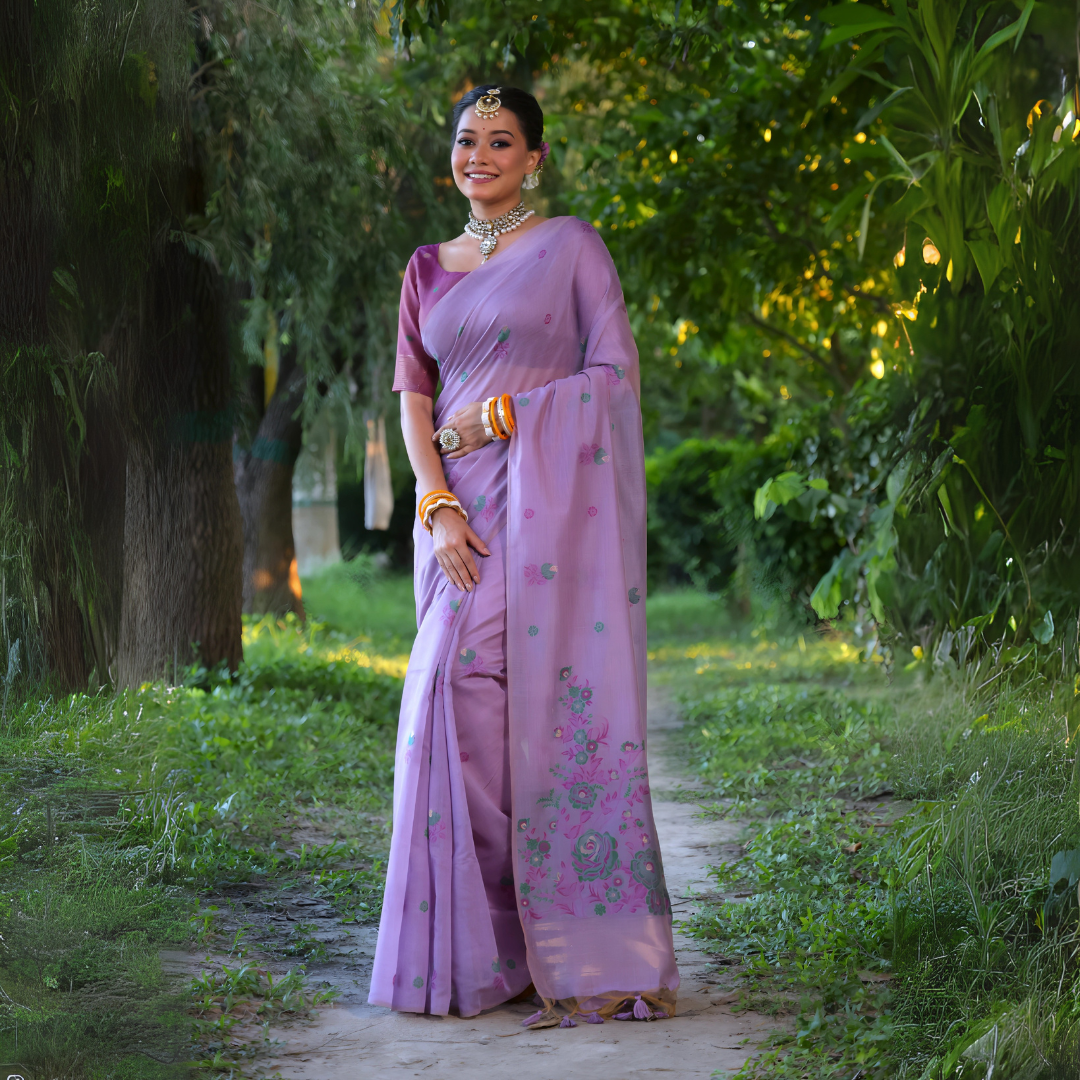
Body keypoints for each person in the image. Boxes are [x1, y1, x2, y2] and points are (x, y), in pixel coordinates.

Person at [368, 84, 679, 1028]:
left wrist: (510, 415)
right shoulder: (427, 267)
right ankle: (494, 944)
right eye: (467, 139)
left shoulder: (574, 248)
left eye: (502, 141)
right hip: (458, 517)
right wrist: (436, 505)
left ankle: (568, 934)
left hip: (546, 510)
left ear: (534, 157)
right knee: (455, 704)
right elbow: (415, 405)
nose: (481, 155)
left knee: (477, 693)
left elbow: (614, 379)